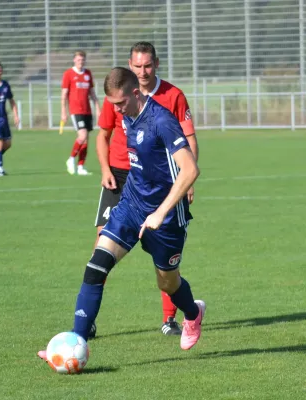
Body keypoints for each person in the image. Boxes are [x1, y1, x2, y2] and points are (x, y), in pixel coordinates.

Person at [38, 67, 205, 363]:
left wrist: (160, 212)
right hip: (130, 206)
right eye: (112, 103)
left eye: (120, 103)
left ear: (135, 94)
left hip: (166, 219)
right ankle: (74, 343)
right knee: (96, 266)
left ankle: (193, 313)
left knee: (167, 282)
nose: (116, 109)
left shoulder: (162, 121)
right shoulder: (127, 116)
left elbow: (190, 170)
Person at [94, 41, 199, 336]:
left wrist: (188, 180)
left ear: (156, 64)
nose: (142, 71)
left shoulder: (172, 96)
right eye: (137, 66)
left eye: (147, 66)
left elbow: (189, 140)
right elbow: (102, 135)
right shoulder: (118, 91)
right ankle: (87, 321)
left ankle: (169, 319)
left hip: (159, 181)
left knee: (162, 257)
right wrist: (105, 170)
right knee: (101, 246)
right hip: (119, 176)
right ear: (130, 65)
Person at [62, 50, 101, 176]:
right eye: (78, 60)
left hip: (87, 110)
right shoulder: (68, 74)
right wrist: (64, 111)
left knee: (86, 140)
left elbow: (92, 93)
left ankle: (80, 167)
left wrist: (98, 108)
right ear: (74, 60)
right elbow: (64, 95)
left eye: (82, 60)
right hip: (75, 110)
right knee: (82, 135)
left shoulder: (88, 74)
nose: (80, 62)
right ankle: (71, 159)